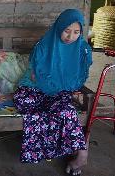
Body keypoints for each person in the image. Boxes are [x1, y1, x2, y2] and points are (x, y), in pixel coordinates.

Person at [13, 9, 92, 176]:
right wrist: (53, 85)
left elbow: (76, 78)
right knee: (28, 104)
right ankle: (54, 150)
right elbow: (36, 77)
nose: (70, 37)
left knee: (66, 110)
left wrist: (60, 88)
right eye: (67, 31)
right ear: (59, 28)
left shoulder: (82, 50)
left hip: (59, 92)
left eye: (76, 32)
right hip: (34, 88)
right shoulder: (44, 46)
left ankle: (82, 152)